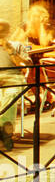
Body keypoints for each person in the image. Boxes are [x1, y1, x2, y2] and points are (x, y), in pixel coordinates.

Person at [0, 20, 23, 152]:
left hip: (13, 77)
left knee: (10, 97)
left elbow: (24, 65)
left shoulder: (15, 46)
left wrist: (10, 51)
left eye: (2, 31)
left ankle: (5, 132)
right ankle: (5, 133)